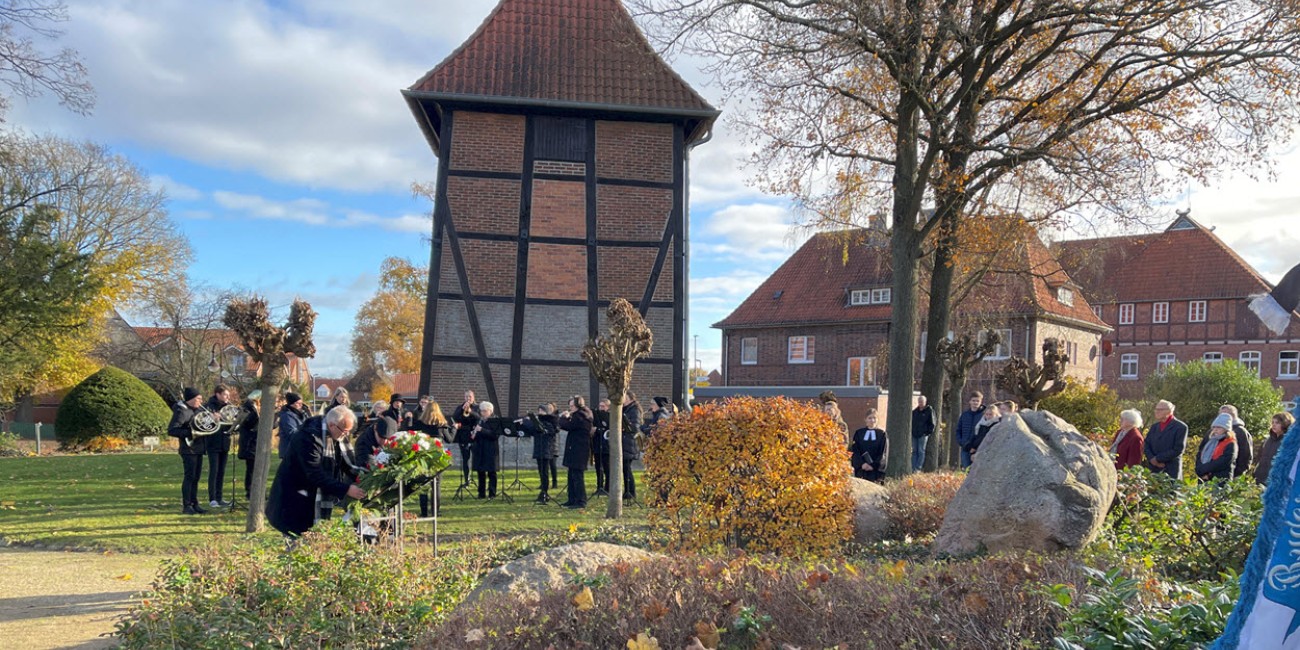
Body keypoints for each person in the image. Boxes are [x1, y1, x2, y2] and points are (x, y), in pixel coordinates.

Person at [266, 406, 366, 537]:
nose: (346, 435)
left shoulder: (336, 436)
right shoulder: (308, 438)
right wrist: (346, 489)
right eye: (345, 431)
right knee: (297, 543)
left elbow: (346, 464)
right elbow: (315, 474)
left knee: (313, 541)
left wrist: (366, 475)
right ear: (332, 425)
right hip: (294, 501)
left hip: (310, 499)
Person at [167, 387, 209, 515]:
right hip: (188, 448)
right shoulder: (181, 411)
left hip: (199, 447)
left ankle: (194, 503)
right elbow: (172, 430)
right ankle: (187, 505)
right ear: (191, 399)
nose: (201, 401)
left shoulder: (199, 410)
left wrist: (214, 418)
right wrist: (191, 433)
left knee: (196, 477)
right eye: (198, 399)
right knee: (189, 477)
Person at [515, 404, 560, 503]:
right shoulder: (537, 422)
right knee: (541, 471)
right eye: (539, 411)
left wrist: (529, 422)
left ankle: (545, 493)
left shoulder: (551, 421)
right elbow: (531, 431)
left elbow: (552, 431)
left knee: (545, 472)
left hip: (547, 448)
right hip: (538, 448)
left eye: (542, 411)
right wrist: (523, 424)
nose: (540, 413)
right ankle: (543, 492)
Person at [416, 399, 452, 517]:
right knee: (436, 484)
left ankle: (424, 511)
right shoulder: (441, 424)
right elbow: (450, 439)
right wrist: (455, 428)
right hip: (437, 456)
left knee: (423, 484)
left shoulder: (420, 423)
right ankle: (435, 511)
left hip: (424, 455)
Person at [559, 396, 594, 508]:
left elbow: (568, 426)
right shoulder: (580, 415)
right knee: (571, 475)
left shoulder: (580, 416)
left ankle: (580, 501)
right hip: (575, 448)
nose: (570, 408)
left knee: (577, 476)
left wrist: (564, 418)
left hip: (579, 449)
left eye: (572, 406)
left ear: (578, 405)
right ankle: (572, 499)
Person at [205, 385, 235, 508]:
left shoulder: (228, 407)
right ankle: (212, 498)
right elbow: (204, 424)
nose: (227, 397)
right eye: (225, 395)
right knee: (214, 471)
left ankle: (219, 497)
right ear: (217, 394)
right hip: (213, 442)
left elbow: (230, 424)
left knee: (221, 472)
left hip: (225, 442)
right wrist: (212, 419)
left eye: (228, 395)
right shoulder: (209, 406)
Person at [1143, 399, 1188, 480]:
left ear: (1169, 411)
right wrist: (1152, 459)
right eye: (1156, 409)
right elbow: (1146, 444)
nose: (1156, 412)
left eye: (1160, 409)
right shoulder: (1154, 427)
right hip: (1153, 469)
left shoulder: (1180, 427)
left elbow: (1178, 449)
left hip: (1170, 470)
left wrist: (1158, 459)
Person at [471, 401, 508, 499]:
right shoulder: (479, 421)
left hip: (490, 449)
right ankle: (481, 493)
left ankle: (492, 493)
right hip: (480, 448)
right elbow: (477, 433)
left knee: (491, 472)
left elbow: (494, 435)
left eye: (484, 411)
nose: (482, 413)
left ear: (490, 411)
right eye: (481, 411)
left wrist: (481, 430)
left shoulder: (495, 421)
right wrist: (474, 434)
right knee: (480, 472)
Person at [1194, 413, 1239, 482]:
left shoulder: (1231, 443)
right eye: (1214, 427)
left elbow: (1224, 462)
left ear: (1226, 429)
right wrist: (1200, 470)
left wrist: (1204, 469)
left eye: (1219, 427)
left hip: (1220, 480)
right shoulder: (1210, 440)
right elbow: (1200, 454)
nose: (1215, 430)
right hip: (1204, 478)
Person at [1254, 412, 1294, 485]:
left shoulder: (1289, 442)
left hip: (1276, 482)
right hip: (1260, 479)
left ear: (1285, 424)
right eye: (1272, 422)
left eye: (1277, 422)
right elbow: (1259, 458)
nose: (1274, 425)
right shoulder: (1267, 440)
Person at [850, 409, 889, 482]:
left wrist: (873, 465)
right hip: (862, 469)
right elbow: (855, 450)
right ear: (865, 419)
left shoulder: (882, 434)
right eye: (870, 418)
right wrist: (861, 464)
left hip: (875, 471)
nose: (872, 420)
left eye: (874, 418)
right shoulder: (859, 433)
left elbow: (883, 452)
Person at [353, 401, 392, 471]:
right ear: (375, 428)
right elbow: (368, 466)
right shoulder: (363, 444)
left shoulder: (387, 422)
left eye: (382, 408)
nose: (384, 442)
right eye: (381, 437)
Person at [451, 391, 479, 487]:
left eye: (470, 396)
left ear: (473, 397)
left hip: (475, 436)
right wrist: (461, 410)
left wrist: (471, 412)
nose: (468, 398)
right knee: (465, 459)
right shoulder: (460, 407)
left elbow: (479, 418)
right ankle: (467, 479)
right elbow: (454, 418)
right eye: (466, 396)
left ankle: (480, 480)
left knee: (477, 458)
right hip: (463, 436)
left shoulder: (477, 407)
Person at [236, 391, 260, 500]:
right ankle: (249, 491)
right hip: (249, 443)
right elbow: (249, 423)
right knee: (251, 468)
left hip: (257, 442)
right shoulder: (247, 408)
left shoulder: (256, 408)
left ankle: (257, 491)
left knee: (257, 468)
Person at [1219, 404, 1254, 478]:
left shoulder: (1240, 432)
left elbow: (1246, 456)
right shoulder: (1217, 430)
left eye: (1225, 415)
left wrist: (1236, 474)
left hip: (1233, 475)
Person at [620, 392, 642, 500]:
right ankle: (627, 491)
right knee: (624, 468)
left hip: (629, 443)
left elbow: (635, 427)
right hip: (624, 441)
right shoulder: (625, 409)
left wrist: (625, 425)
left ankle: (631, 491)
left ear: (630, 399)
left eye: (624, 397)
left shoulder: (634, 410)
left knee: (627, 468)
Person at [955, 392, 986, 469]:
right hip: (965, 446)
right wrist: (961, 441)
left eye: (977, 401)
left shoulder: (984, 415)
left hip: (978, 448)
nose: (975, 403)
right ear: (970, 401)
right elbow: (958, 430)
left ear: (981, 402)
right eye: (973, 400)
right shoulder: (965, 415)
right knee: (966, 470)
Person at [277, 392, 308, 458]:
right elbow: (291, 433)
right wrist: (307, 432)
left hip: (298, 449)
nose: (301, 405)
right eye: (298, 403)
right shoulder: (287, 416)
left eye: (301, 403)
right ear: (292, 404)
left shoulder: (302, 414)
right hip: (289, 450)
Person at [910, 395, 935, 471]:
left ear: (925, 402)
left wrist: (927, 433)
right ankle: (913, 467)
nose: (920, 403)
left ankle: (918, 467)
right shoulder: (915, 412)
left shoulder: (929, 411)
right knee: (914, 451)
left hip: (923, 435)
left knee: (921, 451)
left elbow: (932, 423)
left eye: (922, 401)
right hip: (914, 434)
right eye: (919, 401)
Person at [592, 399, 611, 496]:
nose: (601, 408)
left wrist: (598, 430)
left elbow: (609, 430)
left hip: (606, 446)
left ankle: (608, 488)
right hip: (597, 444)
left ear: (608, 407)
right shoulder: (596, 417)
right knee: (598, 467)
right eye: (600, 406)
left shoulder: (610, 417)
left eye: (603, 406)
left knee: (607, 468)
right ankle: (599, 486)